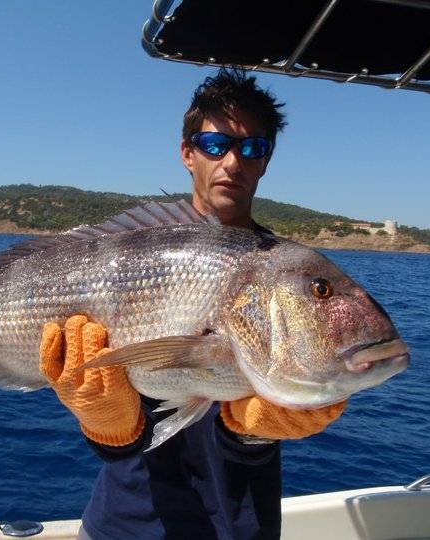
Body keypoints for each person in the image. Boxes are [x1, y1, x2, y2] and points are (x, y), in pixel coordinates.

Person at [39, 69, 346, 539]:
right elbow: (123, 444)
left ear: (265, 162)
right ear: (188, 153)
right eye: (215, 144)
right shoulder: (134, 250)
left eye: (251, 149)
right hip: (124, 524)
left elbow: (256, 427)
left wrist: (256, 429)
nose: (232, 162)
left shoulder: (287, 275)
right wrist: (106, 424)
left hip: (241, 525)